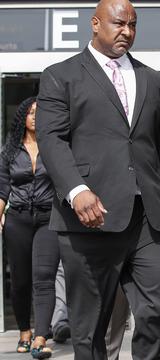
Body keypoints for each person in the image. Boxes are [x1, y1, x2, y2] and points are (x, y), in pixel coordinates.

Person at [36, 0, 160, 358]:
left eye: (133, 25)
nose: (127, 32)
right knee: (89, 328)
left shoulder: (152, 79)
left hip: (149, 219)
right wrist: (76, 190)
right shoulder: (61, 75)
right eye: (119, 23)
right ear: (95, 23)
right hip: (90, 219)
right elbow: (51, 139)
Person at [0, 97, 58, 359]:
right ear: (22, 117)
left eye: (39, 112)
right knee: (21, 281)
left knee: (44, 277)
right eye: (31, 112)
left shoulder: (55, 148)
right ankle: (25, 331)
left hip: (48, 219)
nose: (35, 116)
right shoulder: (9, 152)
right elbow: (2, 192)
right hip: (18, 220)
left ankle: (41, 337)